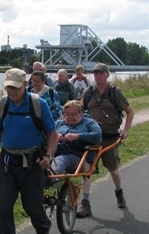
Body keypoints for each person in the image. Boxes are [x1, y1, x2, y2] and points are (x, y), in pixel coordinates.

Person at [0, 68, 58, 234]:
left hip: (32, 163)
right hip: (7, 162)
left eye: (15, 88)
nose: (11, 92)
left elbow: (53, 134)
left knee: (31, 206)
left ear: (25, 85)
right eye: (8, 87)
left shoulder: (37, 104)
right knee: (3, 209)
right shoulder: (2, 104)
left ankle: (43, 227)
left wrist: (49, 157)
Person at [80, 63, 134, 214]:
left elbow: (129, 111)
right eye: (95, 73)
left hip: (110, 137)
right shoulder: (89, 92)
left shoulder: (114, 92)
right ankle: (85, 202)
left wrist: (125, 130)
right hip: (92, 138)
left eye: (101, 73)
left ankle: (119, 191)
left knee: (113, 169)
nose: (98, 76)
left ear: (107, 74)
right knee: (86, 169)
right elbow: (79, 110)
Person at [52, 100, 102, 206]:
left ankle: (51, 176)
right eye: (67, 114)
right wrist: (55, 137)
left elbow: (97, 136)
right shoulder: (58, 123)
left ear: (81, 113)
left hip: (78, 156)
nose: (70, 117)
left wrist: (77, 136)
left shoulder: (88, 123)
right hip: (56, 153)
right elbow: (46, 133)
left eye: (74, 114)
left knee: (61, 160)